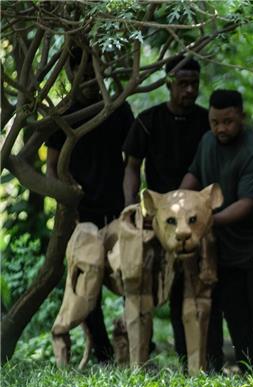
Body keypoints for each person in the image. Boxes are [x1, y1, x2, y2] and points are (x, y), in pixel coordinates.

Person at [181, 89, 253, 373]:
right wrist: (176, 206)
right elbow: (193, 176)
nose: (221, 128)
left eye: (228, 121)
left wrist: (203, 222)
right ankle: (248, 368)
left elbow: (247, 205)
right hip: (229, 243)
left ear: (240, 116)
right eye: (215, 121)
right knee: (233, 306)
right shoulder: (207, 141)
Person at [46, 48, 135, 364]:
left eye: (91, 70)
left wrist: (130, 208)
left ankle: (135, 346)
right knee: (87, 284)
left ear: (102, 68)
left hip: (116, 210)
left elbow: (131, 164)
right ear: (69, 72)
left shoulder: (119, 110)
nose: (86, 78)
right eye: (79, 71)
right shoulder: (63, 113)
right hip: (80, 215)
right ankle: (102, 351)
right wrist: (66, 205)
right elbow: (52, 167)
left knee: (131, 275)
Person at [122, 56, 209, 368]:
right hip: (157, 218)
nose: (188, 90)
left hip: (194, 222)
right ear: (168, 83)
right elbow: (132, 168)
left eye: (193, 84)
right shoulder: (147, 120)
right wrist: (133, 209)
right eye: (182, 84)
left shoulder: (204, 121)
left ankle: (195, 361)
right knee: (143, 286)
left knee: (192, 289)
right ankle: (140, 360)